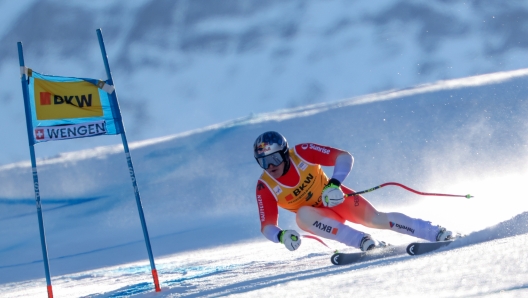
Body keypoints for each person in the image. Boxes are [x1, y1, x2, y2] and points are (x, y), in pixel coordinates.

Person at [253, 131, 454, 252]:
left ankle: (435, 232)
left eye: (275, 159)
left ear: (285, 154)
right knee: (302, 216)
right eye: (263, 162)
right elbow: (267, 225)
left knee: (376, 219)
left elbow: (344, 157)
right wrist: (282, 236)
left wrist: (334, 183)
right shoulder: (265, 186)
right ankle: (363, 241)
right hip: (320, 218)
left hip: (337, 199)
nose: (270, 166)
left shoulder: (301, 153)